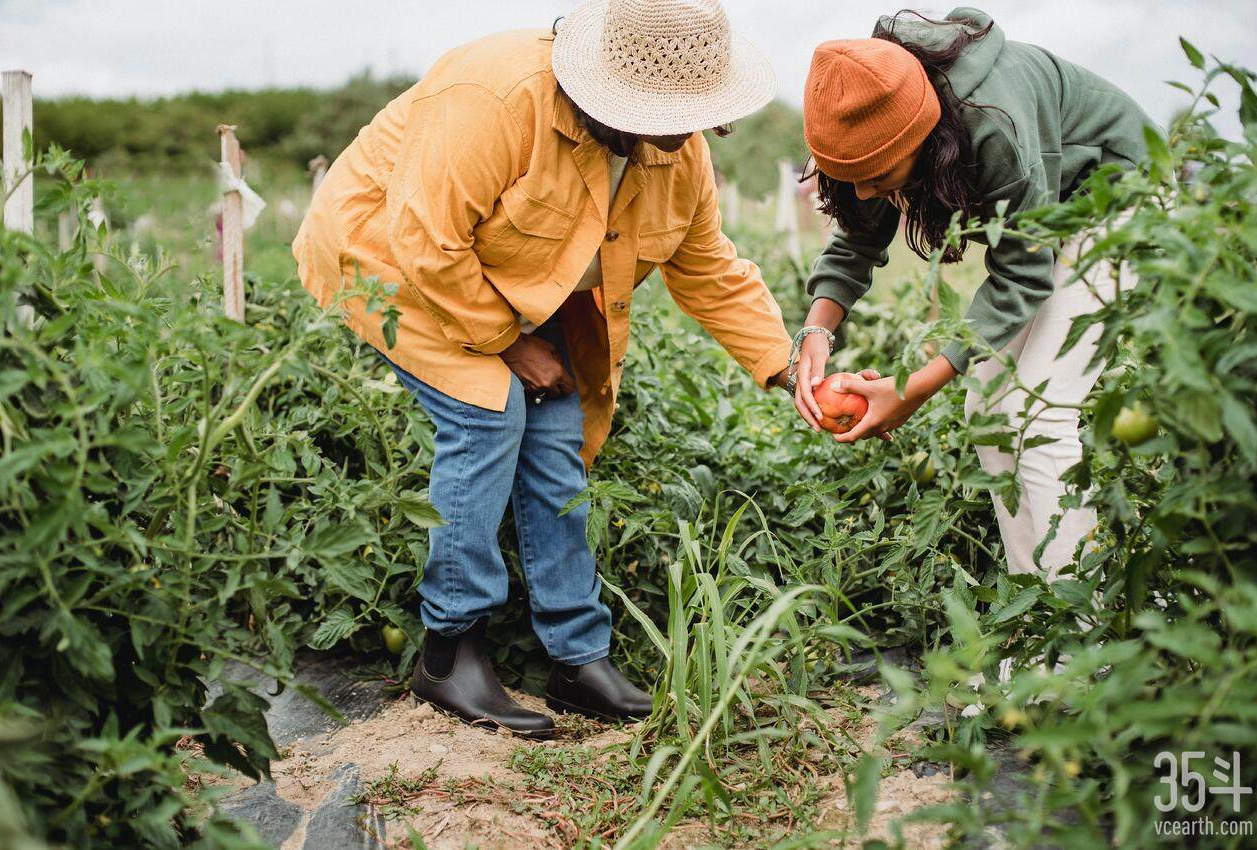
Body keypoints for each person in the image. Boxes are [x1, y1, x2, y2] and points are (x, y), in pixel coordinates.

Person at [293, 0, 794, 738]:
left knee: (556, 435)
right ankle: (448, 650)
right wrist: (509, 342)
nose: (683, 133)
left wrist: (786, 369)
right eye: (666, 113)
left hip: (512, 278)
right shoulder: (495, 98)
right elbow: (425, 242)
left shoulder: (674, 149)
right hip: (389, 261)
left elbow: (708, 268)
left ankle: (577, 657)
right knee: (487, 411)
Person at [791, 7, 1151, 581]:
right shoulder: (870, 103)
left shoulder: (992, 123)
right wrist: (817, 329)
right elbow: (858, 236)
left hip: (1120, 202)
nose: (862, 190)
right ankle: (1032, 613)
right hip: (1055, 217)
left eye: (879, 175)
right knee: (987, 409)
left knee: (1037, 411)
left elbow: (1023, 275)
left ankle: (1077, 643)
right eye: (849, 175)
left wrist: (909, 390)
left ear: (925, 140)